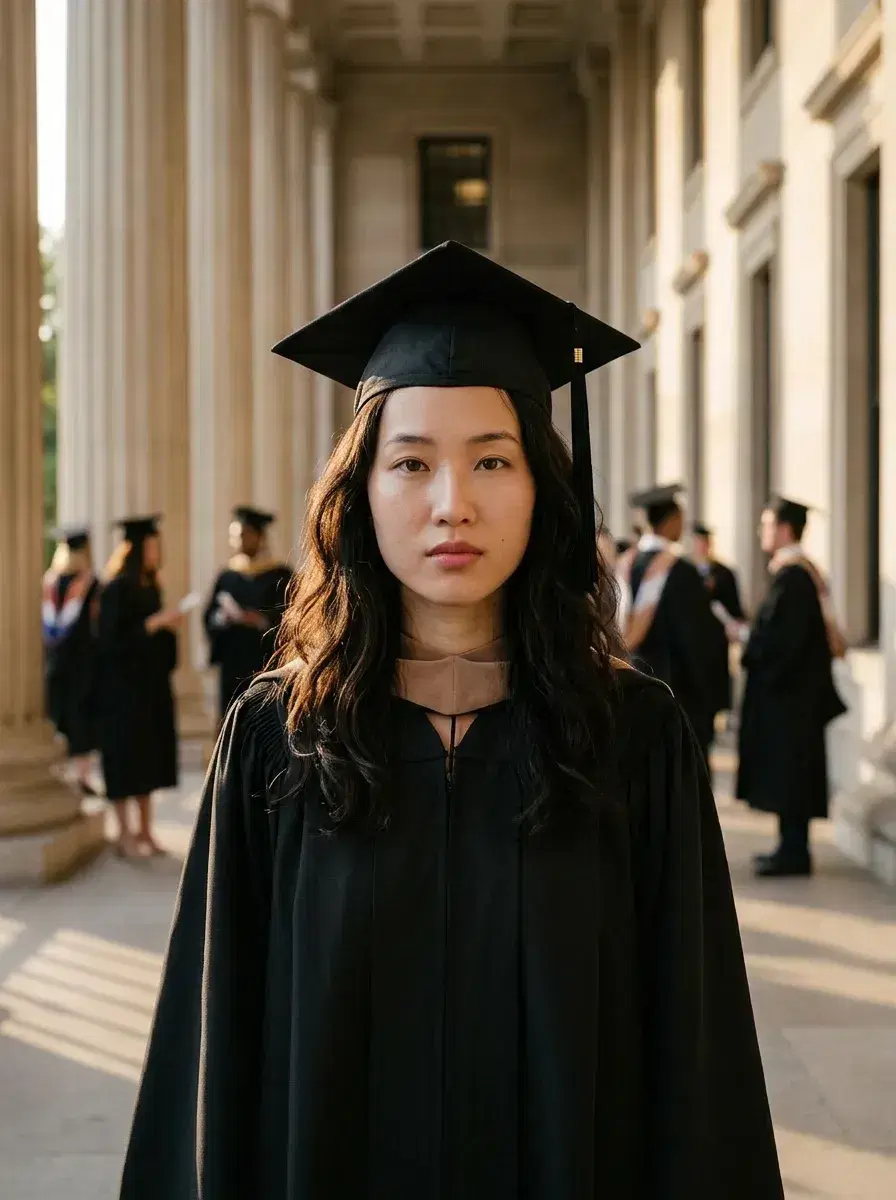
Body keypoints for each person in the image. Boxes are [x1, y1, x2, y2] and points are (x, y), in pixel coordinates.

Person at [120, 242, 783, 1199]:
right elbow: (215, 1050)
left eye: (492, 459)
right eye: (411, 462)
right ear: (361, 493)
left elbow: (696, 1054)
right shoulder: (279, 736)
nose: (451, 504)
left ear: (541, 489)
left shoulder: (633, 734)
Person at [734, 497, 847, 877]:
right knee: (791, 774)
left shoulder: (794, 577)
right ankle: (789, 847)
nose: (761, 532)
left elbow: (784, 642)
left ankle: (794, 852)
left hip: (791, 702)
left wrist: (750, 644)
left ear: (784, 529)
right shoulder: (795, 574)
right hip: (794, 699)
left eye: (766, 524)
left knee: (792, 774)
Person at [97, 515, 181, 858]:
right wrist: (153, 624)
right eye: (149, 546)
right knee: (123, 758)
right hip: (121, 690)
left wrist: (165, 631)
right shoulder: (115, 588)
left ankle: (145, 830)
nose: (154, 552)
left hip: (150, 686)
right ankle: (123, 832)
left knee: (148, 757)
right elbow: (109, 641)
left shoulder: (151, 585)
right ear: (133, 550)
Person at [616, 484, 717, 767]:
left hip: (630, 681)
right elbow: (696, 641)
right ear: (671, 521)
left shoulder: (624, 565)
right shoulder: (681, 571)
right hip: (675, 688)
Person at [203, 506, 294, 720]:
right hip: (233, 661)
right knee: (231, 716)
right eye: (234, 536)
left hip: (265, 659)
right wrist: (222, 619)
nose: (238, 541)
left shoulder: (279, 575)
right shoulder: (227, 576)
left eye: (244, 535)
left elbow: (293, 616)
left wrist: (263, 620)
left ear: (259, 536)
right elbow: (209, 616)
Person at [42, 525, 101, 794]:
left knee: (59, 714)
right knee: (81, 717)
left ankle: (64, 773)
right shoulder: (90, 583)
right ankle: (83, 776)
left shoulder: (50, 581)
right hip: (83, 662)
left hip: (54, 661)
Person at [690, 521, 744, 720]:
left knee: (713, 693)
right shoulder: (686, 571)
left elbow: (735, 607)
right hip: (694, 643)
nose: (701, 546)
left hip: (716, 642)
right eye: (697, 542)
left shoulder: (723, 573)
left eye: (704, 542)